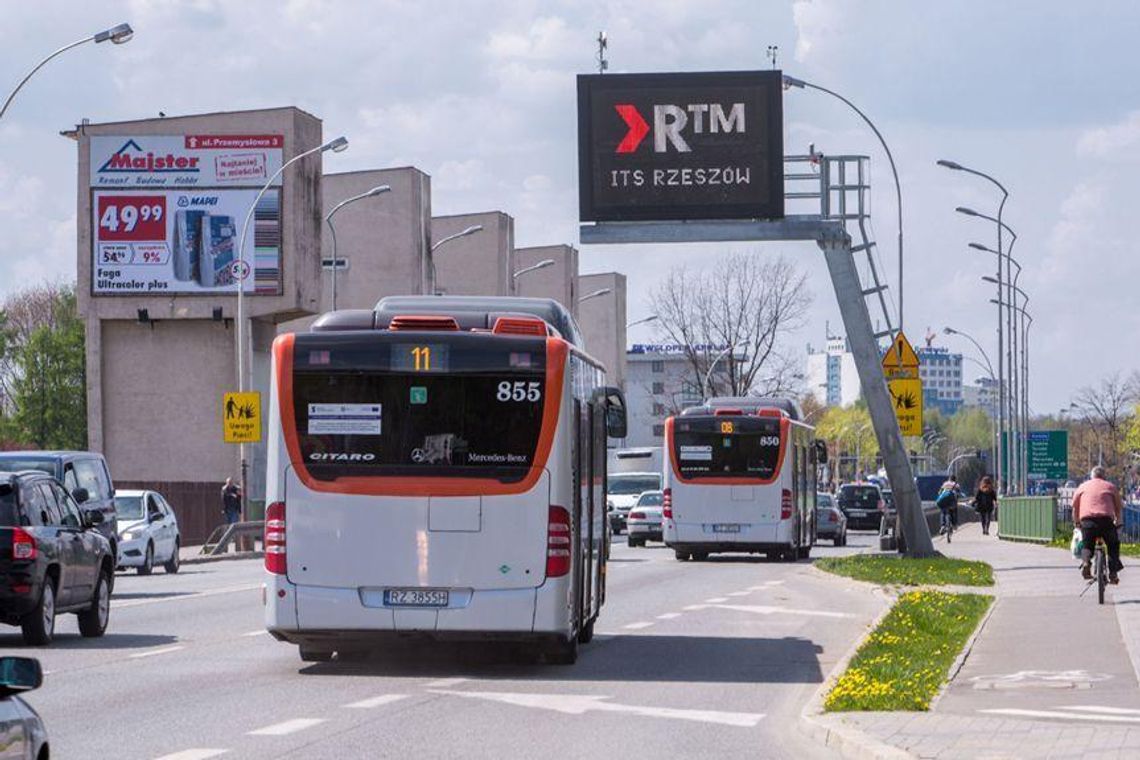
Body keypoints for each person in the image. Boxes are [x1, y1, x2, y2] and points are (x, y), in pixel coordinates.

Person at [1073, 465, 1124, 583]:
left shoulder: (1082, 487)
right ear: (1104, 476)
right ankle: (1113, 573)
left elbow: (1075, 508)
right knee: (1113, 545)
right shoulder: (1111, 487)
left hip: (1087, 522)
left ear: (1091, 476)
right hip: (1106, 521)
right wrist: (1119, 523)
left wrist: (1077, 523)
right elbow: (1118, 508)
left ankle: (1086, 562)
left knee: (1087, 545)